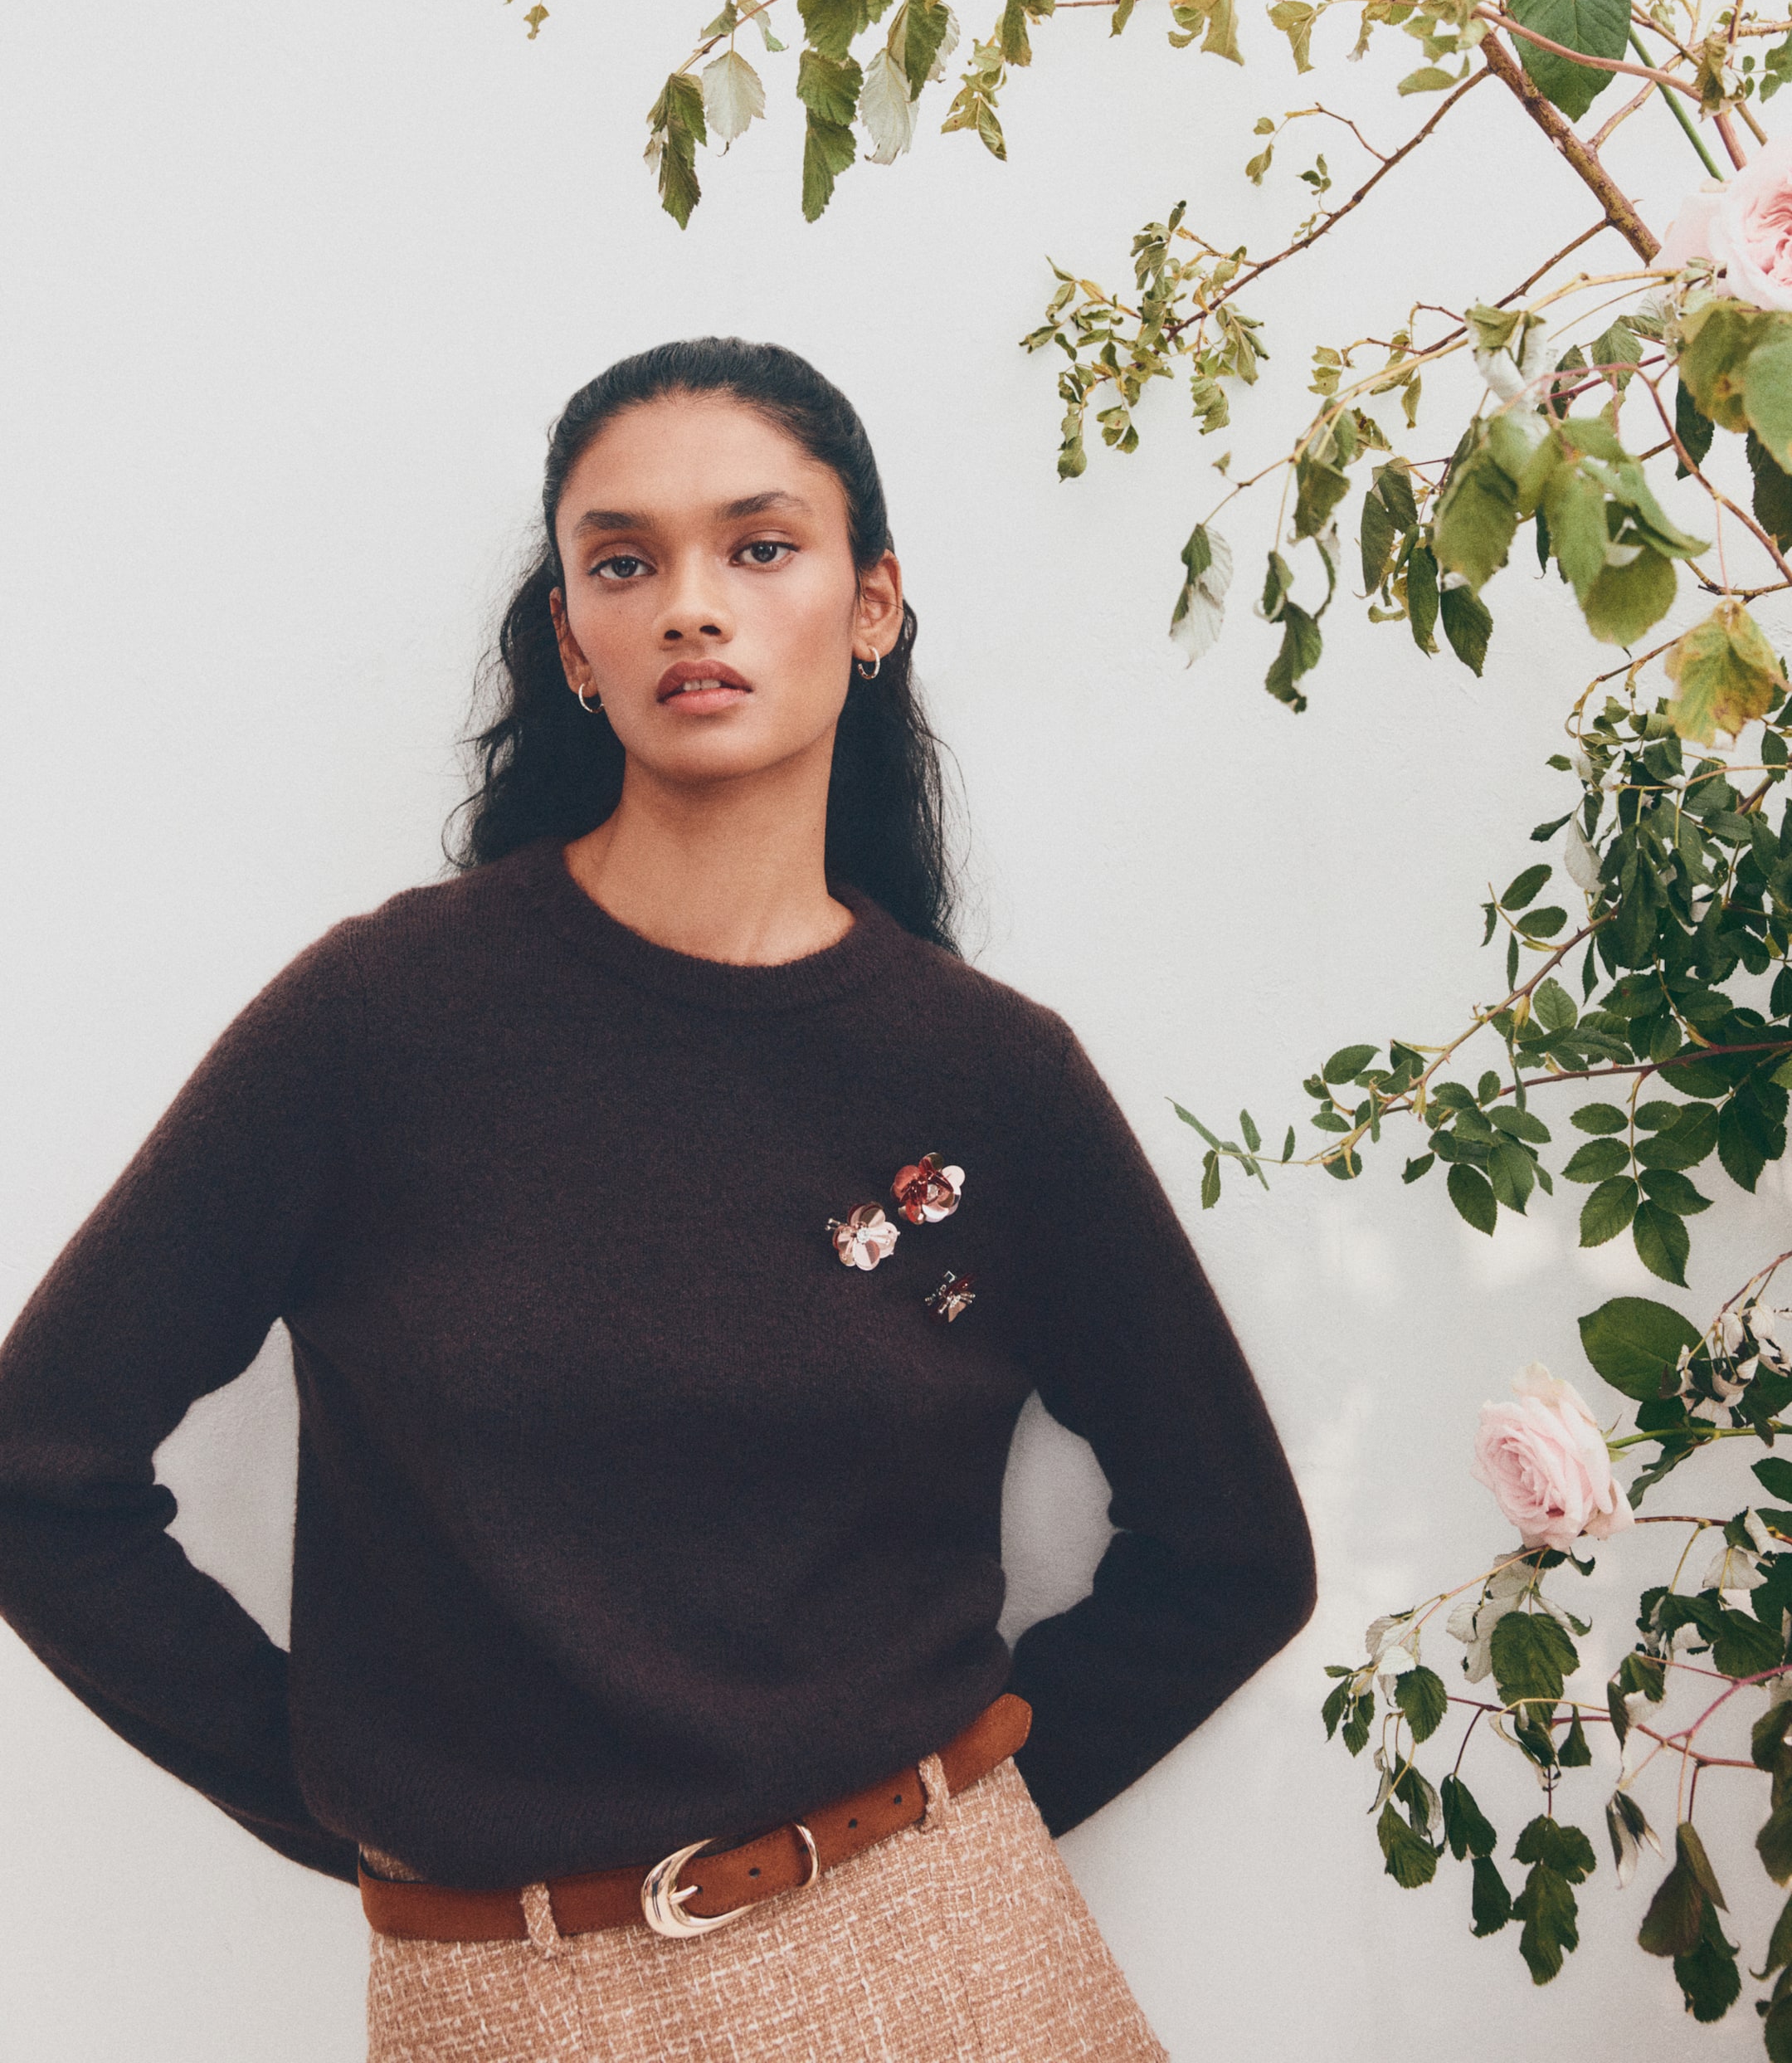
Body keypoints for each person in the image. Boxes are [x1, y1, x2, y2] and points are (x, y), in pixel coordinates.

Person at [0, 336, 1317, 2063]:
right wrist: (357, 1798)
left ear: (871, 604)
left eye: (760, 547)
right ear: (574, 641)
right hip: (504, 1991)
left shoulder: (994, 1079)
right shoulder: (380, 1021)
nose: (692, 605)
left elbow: (1232, 1556)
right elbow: (39, 1474)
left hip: (944, 1961)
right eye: (624, 562)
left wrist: (934, 1829)